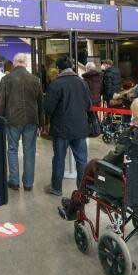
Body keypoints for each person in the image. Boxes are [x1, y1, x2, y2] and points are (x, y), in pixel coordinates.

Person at [43, 56, 91, 196]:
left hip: (61, 129)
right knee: (81, 160)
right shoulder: (82, 82)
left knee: (59, 158)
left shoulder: (56, 84)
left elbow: (48, 108)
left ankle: (56, 188)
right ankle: (82, 190)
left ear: (58, 69)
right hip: (80, 128)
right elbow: (88, 104)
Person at [0, 53, 43, 191]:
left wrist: (0, 120)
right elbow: (40, 102)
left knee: (12, 149)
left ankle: (14, 181)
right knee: (29, 151)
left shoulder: (6, 79)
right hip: (31, 120)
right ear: (26, 63)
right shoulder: (35, 80)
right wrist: (40, 123)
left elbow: (0, 103)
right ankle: (28, 184)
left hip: (12, 120)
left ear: (14, 63)